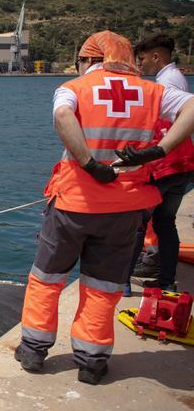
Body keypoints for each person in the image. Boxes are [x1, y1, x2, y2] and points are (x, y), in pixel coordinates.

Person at [15, 30, 194, 385]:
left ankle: (34, 350)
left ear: (91, 59)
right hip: (125, 208)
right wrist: (159, 149)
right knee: (103, 285)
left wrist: (88, 161)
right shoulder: (154, 91)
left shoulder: (73, 88)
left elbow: (63, 119)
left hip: (74, 203)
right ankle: (92, 361)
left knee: (47, 278)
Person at [123, 34, 194, 294]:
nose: (140, 65)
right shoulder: (176, 79)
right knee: (166, 223)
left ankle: (123, 284)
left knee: (138, 226)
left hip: (164, 166)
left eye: (142, 59)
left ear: (157, 57)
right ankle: (166, 281)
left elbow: (162, 127)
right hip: (182, 165)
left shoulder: (164, 84)